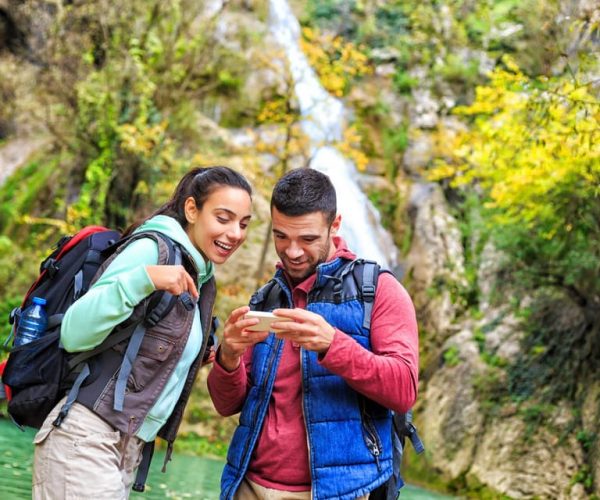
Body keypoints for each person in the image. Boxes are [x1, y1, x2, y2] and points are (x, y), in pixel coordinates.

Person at [32, 166, 253, 499]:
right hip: (86, 436)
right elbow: (74, 332)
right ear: (192, 210)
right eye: (223, 218)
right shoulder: (152, 250)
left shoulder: (202, 276)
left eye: (244, 224)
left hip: (126, 448)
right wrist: (144, 279)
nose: (235, 233)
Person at [208, 168, 419, 500]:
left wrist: (333, 345)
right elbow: (226, 404)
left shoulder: (379, 290)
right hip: (247, 485)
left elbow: (404, 389)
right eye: (281, 237)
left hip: (341, 492)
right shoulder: (266, 297)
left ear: (334, 226)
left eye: (307, 239)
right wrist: (229, 358)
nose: (292, 252)